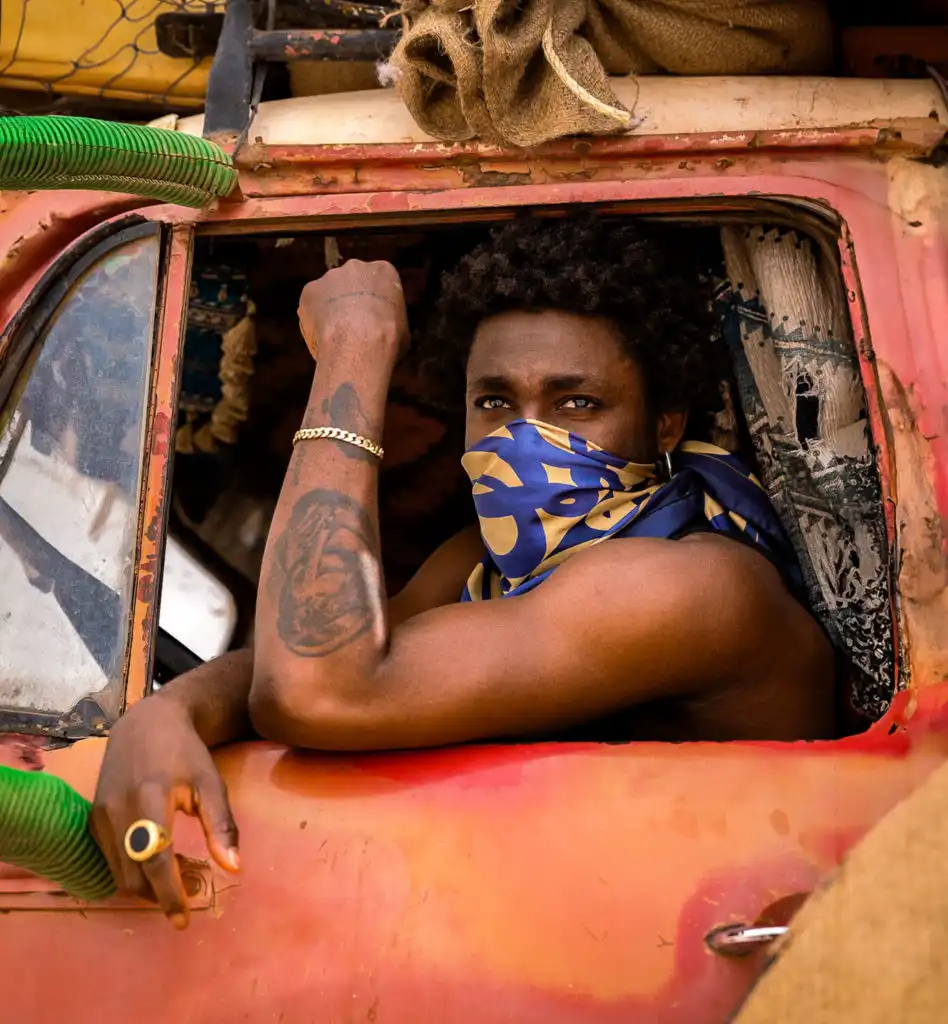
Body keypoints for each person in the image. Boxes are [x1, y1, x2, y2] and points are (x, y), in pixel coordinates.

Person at [90, 216, 835, 928]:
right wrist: (168, 712)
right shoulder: (482, 561)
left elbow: (314, 688)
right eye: (496, 401)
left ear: (665, 423)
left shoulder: (694, 585)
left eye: (577, 403)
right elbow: (319, 644)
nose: (526, 436)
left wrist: (354, 346)